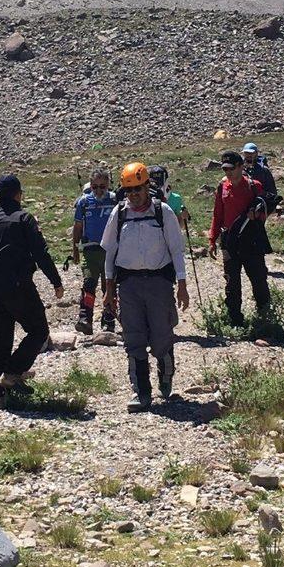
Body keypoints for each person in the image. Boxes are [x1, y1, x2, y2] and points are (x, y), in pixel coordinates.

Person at [101, 162, 189, 413]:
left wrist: (182, 285)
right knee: (134, 338)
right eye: (129, 191)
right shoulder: (119, 214)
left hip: (159, 284)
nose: (134, 195)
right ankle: (141, 392)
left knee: (162, 335)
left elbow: (176, 250)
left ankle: (166, 375)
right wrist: (108, 288)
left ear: (147, 186)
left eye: (137, 189)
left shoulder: (163, 212)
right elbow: (110, 253)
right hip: (128, 285)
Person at [0, 173, 64, 409]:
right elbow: (40, 253)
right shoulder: (24, 218)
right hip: (18, 287)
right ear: (18, 194)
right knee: (39, 331)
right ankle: (12, 373)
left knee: (1, 340)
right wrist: (56, 281)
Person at [209, 150, 272, 327]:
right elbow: (217, 214)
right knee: (231, 282)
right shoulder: (222, 187)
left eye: (231, 168)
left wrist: (256, 215)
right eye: (224, 169)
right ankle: (235, 320)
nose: (228, 172)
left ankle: (265, 316)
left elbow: (265, 209)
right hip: (230, 241)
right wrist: (212, 239)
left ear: (240, 166)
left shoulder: (255, 186)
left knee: (259, 279)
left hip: (251, 240)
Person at [72, 167, 116, 335]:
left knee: (109, 285)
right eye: (95, 186)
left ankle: (109, 320)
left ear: (108, 185)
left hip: (110, 249)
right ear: (90, 186)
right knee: (89, 282)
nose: (98, 190)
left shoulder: (113, 200)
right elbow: (78, 226)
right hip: (90, 249)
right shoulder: (83, 202)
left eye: (102, 186)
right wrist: (75, 248)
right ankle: (85, 319)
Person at [241, 142, 279, 210]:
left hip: (259, 205)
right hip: (242, 204)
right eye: (246, 153)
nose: (248, 155)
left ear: (256, 154)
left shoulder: (264, 170)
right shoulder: (239, 169)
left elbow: (272, 190)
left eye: (251, 153)